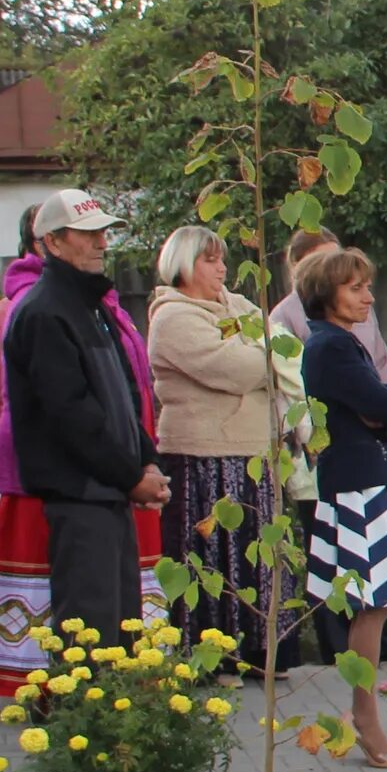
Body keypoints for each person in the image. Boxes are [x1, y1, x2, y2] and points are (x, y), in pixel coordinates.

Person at [0, 200, 162, 698]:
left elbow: (123, 393)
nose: (102, 242)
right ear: (52, 242)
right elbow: (73, 415)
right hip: (79, 491)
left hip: (108, 490)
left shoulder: (90, 306)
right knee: (89, 630)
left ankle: (117, 738)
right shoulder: (42, 311)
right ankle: (86, 737)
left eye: (104, 232)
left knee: (120, 625)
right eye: (86, 233)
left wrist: (144, 457)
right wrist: (130, 474)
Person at [298, 246, 387, 763]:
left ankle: (360, 714)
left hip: (369, 478)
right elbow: (384, 401)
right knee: (370, 604)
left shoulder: (342, 342)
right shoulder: (330, 347)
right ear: (327, 294)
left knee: (380, 601)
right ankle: (365, 720)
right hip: (355, 485)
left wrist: (385, 413)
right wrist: (385, 411)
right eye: (355, 288)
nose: (368, 296)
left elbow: (385, 405)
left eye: (368, 286)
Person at [147, 224, 278, 652]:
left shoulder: (235, 306)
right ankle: (212, 655)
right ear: (182, 264)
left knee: (250, 555)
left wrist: (260, 354)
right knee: (210, 559)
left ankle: (258, 651)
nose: (221, 268)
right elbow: (237, 368)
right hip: (202, 454)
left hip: (250, 451)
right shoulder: (173, 318)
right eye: (210, 259)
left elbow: (282, 343)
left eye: (222, 259)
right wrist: (263, 360)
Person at [269, 227, 387, 385]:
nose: (330, 268)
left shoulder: (360, 305)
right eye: (321, 260)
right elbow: (290, 377)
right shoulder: (283, 316)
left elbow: (381, 363)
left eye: (336, 259)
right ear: (297, 265)